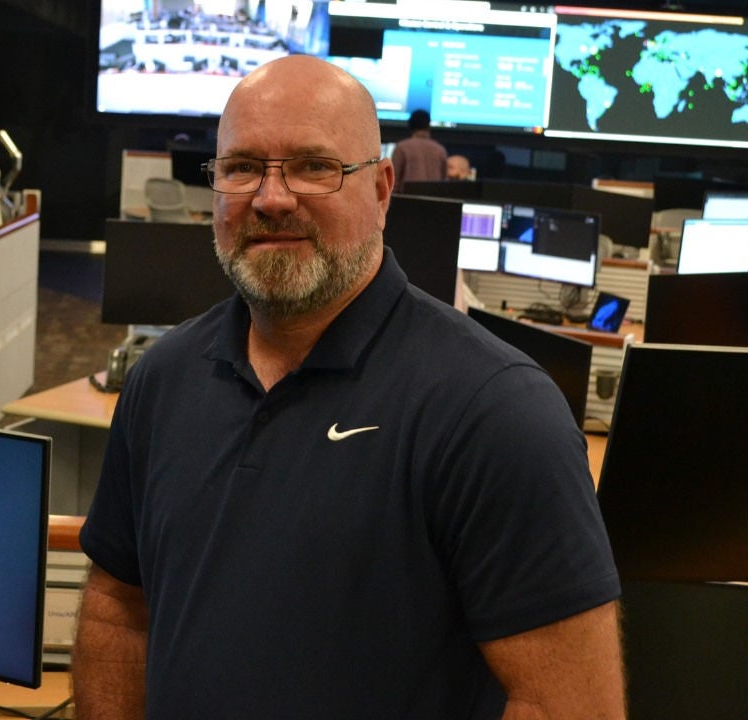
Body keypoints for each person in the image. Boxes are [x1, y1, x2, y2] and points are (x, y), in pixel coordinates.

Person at [73, 55, 625, 719]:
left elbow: (564, 705)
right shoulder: (161, 381)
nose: (272, 199)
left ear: (383, 189)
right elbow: (118, 614)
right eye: (242, 166)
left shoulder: (496, 411)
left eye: (314, 166)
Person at [391, 108, 448, 191]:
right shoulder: (440, 150)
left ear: (410, 125)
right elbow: (444, 182)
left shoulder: (402, 147)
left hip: (408, 201)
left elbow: (393, 181)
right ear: (428, 125)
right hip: (434, 201)